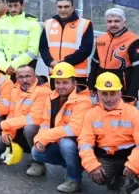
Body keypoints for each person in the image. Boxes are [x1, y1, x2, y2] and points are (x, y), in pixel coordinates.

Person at [78, 72, 139, 192]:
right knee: (97, 176)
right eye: (104, 94)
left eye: (113, 94)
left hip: (130, 156)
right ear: (97, 94)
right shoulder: (91, 114)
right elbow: (85, 142)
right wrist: (92, 165)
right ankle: (116, 179)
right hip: (107, 157)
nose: (108, 99)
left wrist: (133, 165)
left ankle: (130, 180)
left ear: (120, 93)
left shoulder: (134, 113)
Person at [31, 62, 93, 193]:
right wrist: (39, 139)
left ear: (74, 83)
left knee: (66, 144)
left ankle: (74, 179)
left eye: (65, 83)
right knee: (36, 152)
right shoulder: (51, 96)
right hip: (57, 139)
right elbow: (45, 122)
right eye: (58, 82)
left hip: (77, 145)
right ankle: (70, 164)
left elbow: (74, 129)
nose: (60, 86)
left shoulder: (83, 101)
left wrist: (45, 137)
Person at [88, 7, 139, 101]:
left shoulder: (135, 41)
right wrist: (91, 84)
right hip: (102, 86)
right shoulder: (101, 39)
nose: (113, 24)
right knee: (101, 113)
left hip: (123, 90)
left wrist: (131, 92)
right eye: (109, 21)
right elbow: (95, 63)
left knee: (122, 115)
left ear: (124, 22)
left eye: (117, 21)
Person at [0, 65, 50, 164]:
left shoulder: (43, 91)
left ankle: (38, 162)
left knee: (29, 128)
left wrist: (6, 124)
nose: (24, 80)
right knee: (0, 141)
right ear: (16, 78)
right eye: (20, 77)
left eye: (28, 76)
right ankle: (8, 153)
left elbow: (35, 118)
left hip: (38, 133)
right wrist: (7, 133)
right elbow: (11, 114)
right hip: (18, 128)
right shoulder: (15, 90)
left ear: (35, 76)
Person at [39, 0, 94, 87]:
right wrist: (49, 62)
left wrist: (65, 62)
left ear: (72, 7)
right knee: (55, 100)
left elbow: (86, 49)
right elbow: (43, 47)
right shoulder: (48, 23)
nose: (63, 10)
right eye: (60, 7)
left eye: (66, 7)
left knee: (77, 101)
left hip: (76, 75)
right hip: (56, 73)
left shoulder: (84, 24)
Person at [0, 0, 41, 80]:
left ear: (23, 5)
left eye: (16, 6)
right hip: (4, 70)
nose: (13, 9)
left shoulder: (33, 24)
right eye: (10, 6)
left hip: (25, 71)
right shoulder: (0, 23)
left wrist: (13, 66)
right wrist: (4, 66)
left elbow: (33, 51)